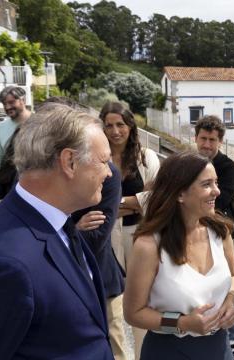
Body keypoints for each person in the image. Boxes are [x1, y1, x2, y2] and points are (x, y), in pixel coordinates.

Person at [0, 104, 114, 359]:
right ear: (69, 162)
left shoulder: (57, 222)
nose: (108, 173)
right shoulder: (3, 264)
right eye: (104, 161)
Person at [123, 151, 234, 360]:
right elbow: (133, 313)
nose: (217, 191)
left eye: (216, 183)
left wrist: (231, 300)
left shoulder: (221, 232)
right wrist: (182, 323)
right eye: (207, 185)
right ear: (179, 194)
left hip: (219, 349)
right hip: (169, 351)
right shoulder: (149, 246)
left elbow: (233, 276)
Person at [99, 101, 159, 359]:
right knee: (112, 304)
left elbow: (155, 198)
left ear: (130, 126)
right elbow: (95, 202)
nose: (115, 131)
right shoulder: (96, 159)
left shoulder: (146, 157)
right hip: (105, 237)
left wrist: (114, 204)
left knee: (142, 300)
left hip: (138, 236)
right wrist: (133, 202)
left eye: (120, 124)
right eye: (109, 125)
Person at [194, 115, 234, 359]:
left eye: (212, 140)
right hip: (193, 234)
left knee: (229, 283)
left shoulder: (228, 168)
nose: (206, 144)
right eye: (203, 138)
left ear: (220, 142)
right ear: (195, 138)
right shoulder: (189, 164)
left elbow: (221, 203)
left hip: (221, 235)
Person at [73, 162, 127, 360]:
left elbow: (96, 237)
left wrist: (65, 227)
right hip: (64, 284)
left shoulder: (109, 175)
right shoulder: (51, 171)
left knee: (114, 349)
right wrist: (74, 227)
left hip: (103, 282)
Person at [0, 86, 31, 174]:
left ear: (23, 101)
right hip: (10, 183)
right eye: (4, 104)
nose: (8, 107)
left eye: (11, 102)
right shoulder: (1, 127)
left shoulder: (39, 123)